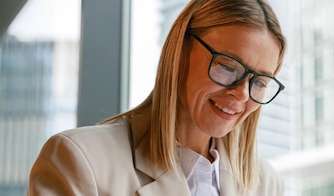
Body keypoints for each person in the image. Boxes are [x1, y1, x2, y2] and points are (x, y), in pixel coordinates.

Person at [27, 0, 286, 195]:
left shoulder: (266, 184)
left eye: (260, 82)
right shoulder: (81, 160)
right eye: (228, 67)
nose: (241, 94)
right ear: (180, 53)